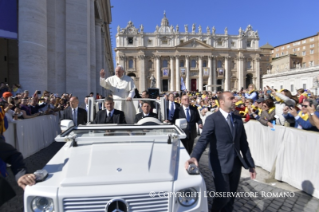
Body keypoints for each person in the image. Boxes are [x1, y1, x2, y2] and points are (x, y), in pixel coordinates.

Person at [185, 91, 256, 212]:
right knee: (223, 197)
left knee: (231, 198)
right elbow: (203, 140)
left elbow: (244, 143)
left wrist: (251, 165)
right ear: (222, 102)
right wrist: (194, 156)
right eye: (231, 98)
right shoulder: (212, 119)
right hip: (219, 164)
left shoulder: (238, 119)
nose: (235, 100)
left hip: (236, 164)